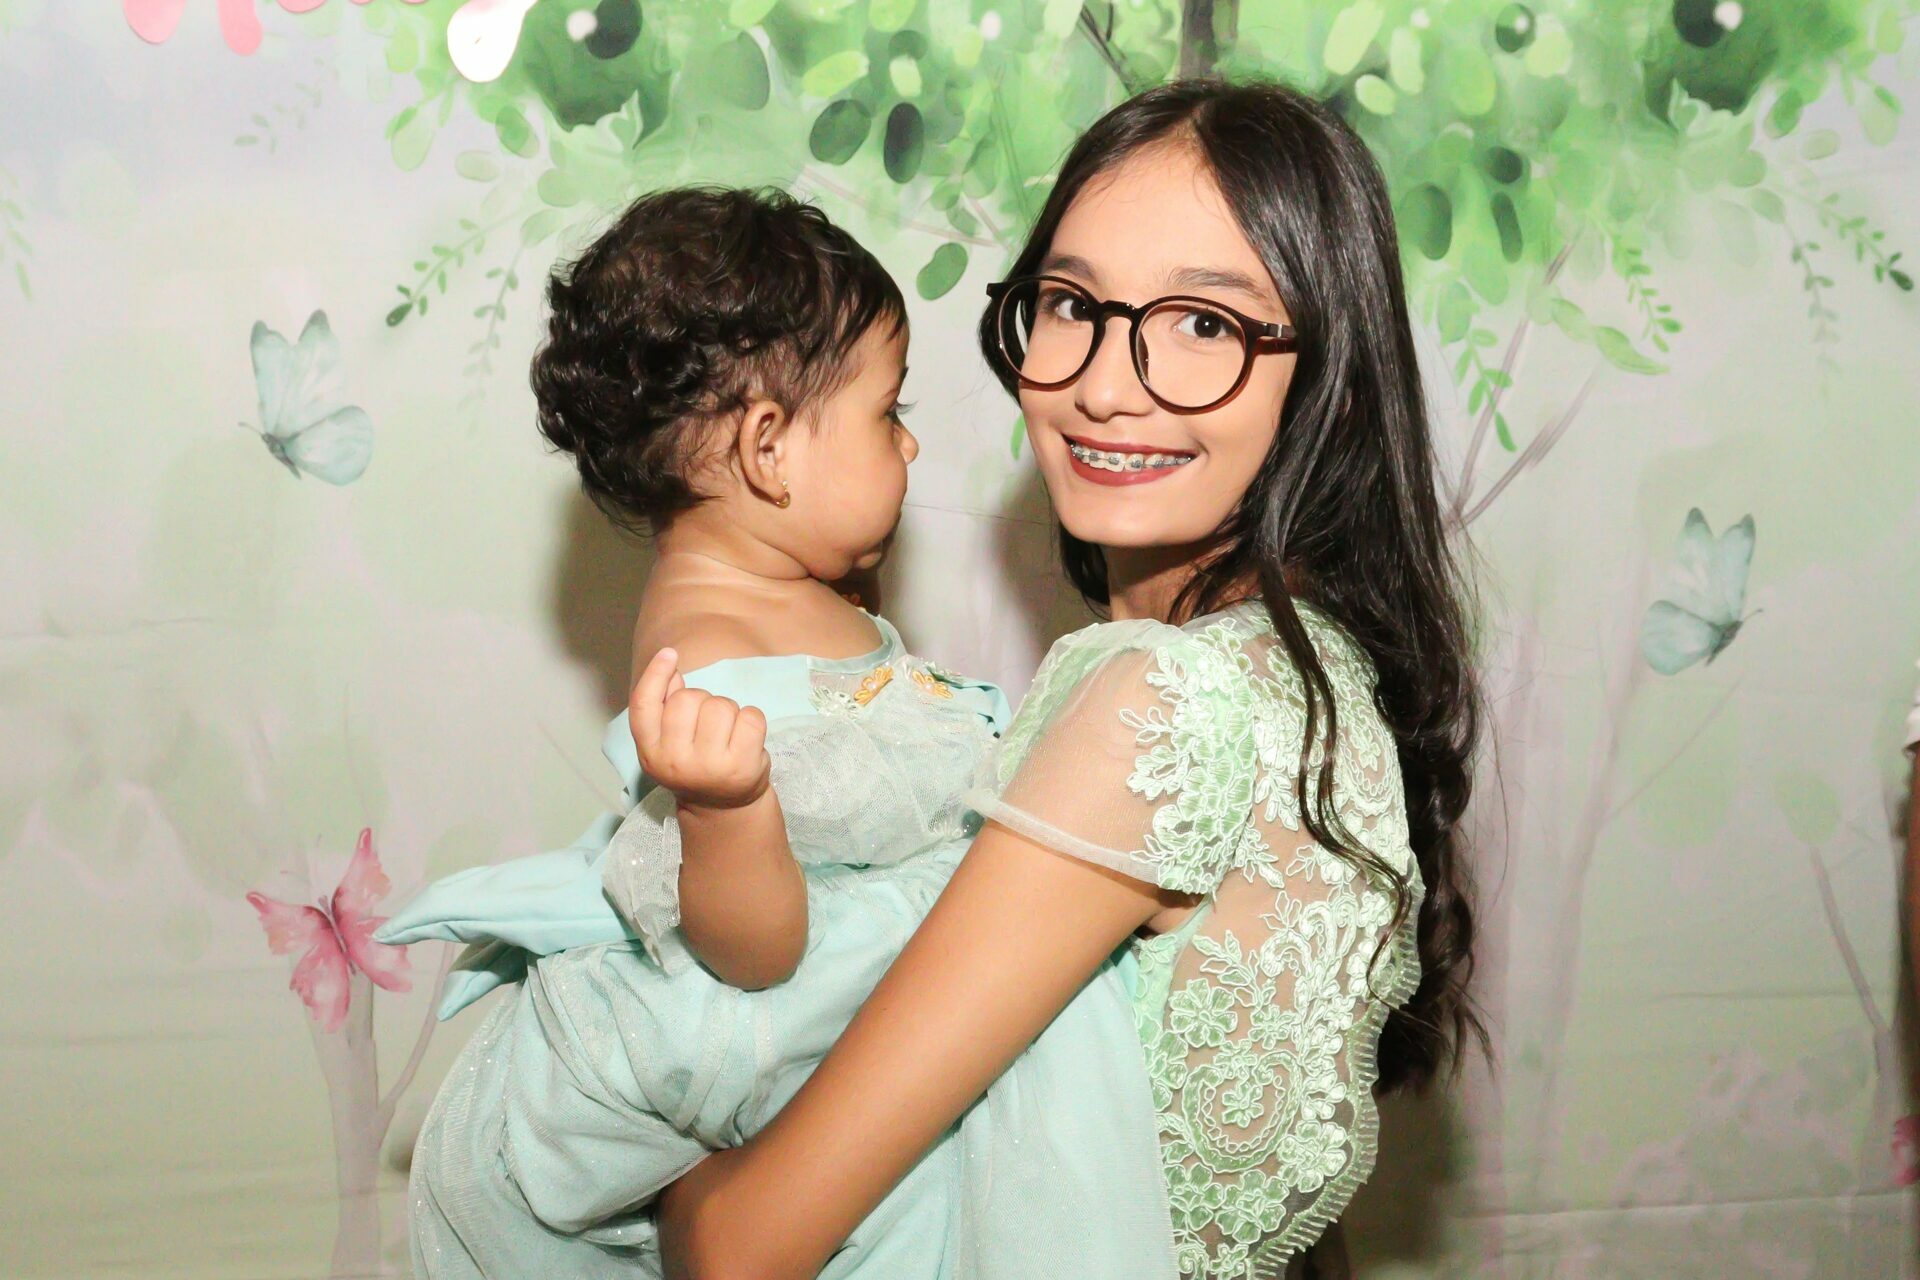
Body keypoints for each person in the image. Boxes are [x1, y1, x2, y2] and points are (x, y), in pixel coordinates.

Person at [656, 79, 1484, 1280]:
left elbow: (741, 1243)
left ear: (1332, 378)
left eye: (1205, 323)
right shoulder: (1314, 657)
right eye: (1072, 302)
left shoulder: (1165, 702)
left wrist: (619, 1156)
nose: (1104, 381)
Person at [376, 186, 1178, 1278]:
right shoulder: (714, 656)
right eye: (887, 411)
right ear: (768, 452)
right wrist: (727, 810)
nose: (910, 441)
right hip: (784, 1007)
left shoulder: (784, 582)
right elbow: (754, 954)